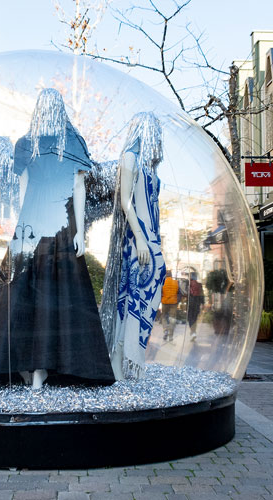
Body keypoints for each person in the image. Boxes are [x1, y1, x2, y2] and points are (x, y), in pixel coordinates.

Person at [0, 88, 115, 389]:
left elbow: (69, 189)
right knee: (46, 294)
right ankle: (40, 367)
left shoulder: (40, 144)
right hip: (55, 223)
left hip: (42, 222)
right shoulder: (59, 143)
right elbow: (75, 190)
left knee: (30, 293)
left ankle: (36, 367)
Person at [100, 112, 166, 380]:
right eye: (153, 130)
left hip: (152, 240)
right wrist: (139, 237)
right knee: (128, 301)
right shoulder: (130, 158)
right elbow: (126, 201)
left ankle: (133, 359)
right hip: (137, 240)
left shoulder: (150, 166)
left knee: (148, 300)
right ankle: (117, 362)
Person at [161, 270, 179, 342]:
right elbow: (178, 292)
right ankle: (171, 335)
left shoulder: (163, 282)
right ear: (171, 275)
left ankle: (165, 330)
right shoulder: (176, 282)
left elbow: (161, 292)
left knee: (164, 317)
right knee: (172, 318)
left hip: (165, 302)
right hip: (173, 303)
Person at [188, 273, 205, 341]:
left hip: (190, 303)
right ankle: (193, 332)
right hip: (197, 303)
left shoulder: (189, 284)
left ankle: (193, 332)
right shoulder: (199, 285)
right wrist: (203, 303)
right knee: (194, 318)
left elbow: (186, 293)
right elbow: (202, 295)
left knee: (190, 318)